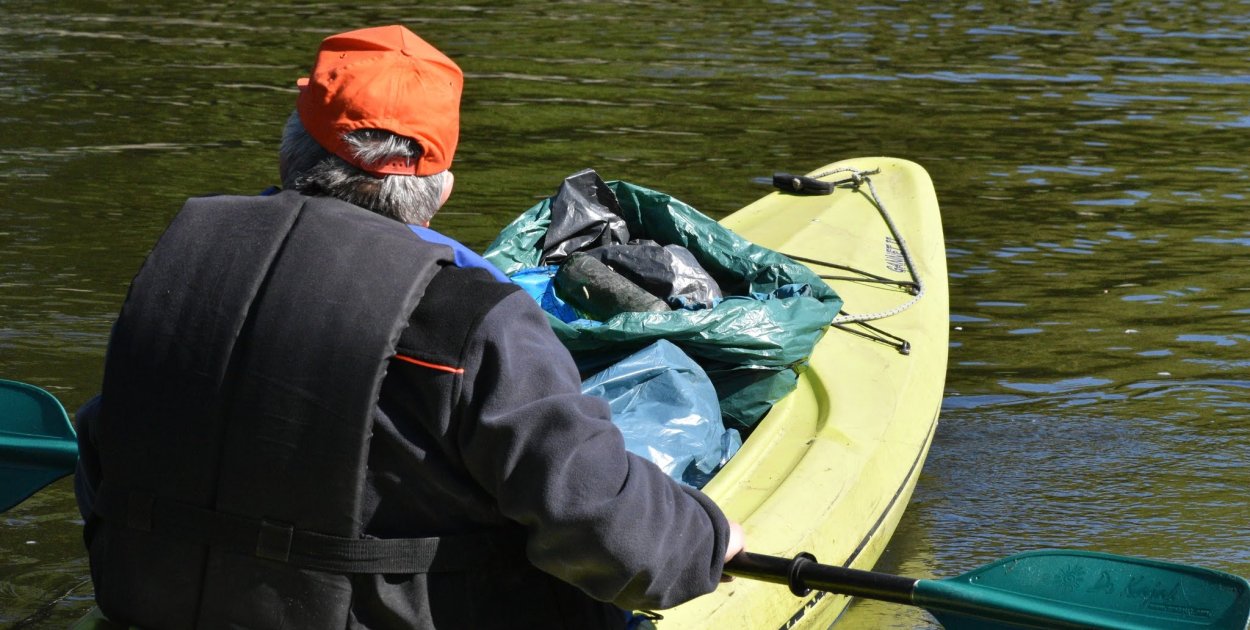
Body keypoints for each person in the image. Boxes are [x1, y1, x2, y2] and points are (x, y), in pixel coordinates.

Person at [72, 24, 744, 630]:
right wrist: (709, 538)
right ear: (439, 190)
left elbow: (106, 446)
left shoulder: (179, 261)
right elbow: (617, 543)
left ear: (288, 152)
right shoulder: (474, 318)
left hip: (155, 607)